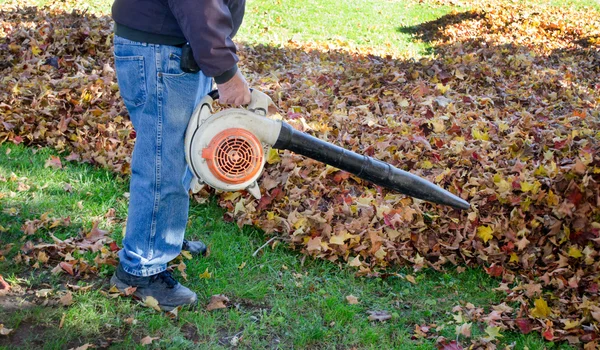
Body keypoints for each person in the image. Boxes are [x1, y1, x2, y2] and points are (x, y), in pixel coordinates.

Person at [109, 0, 252, 311]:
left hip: (175, 45)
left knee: (178, 154)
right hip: (162, 49)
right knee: (164, 162)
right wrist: (226, 71)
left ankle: (162, 237)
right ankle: (141, 268)